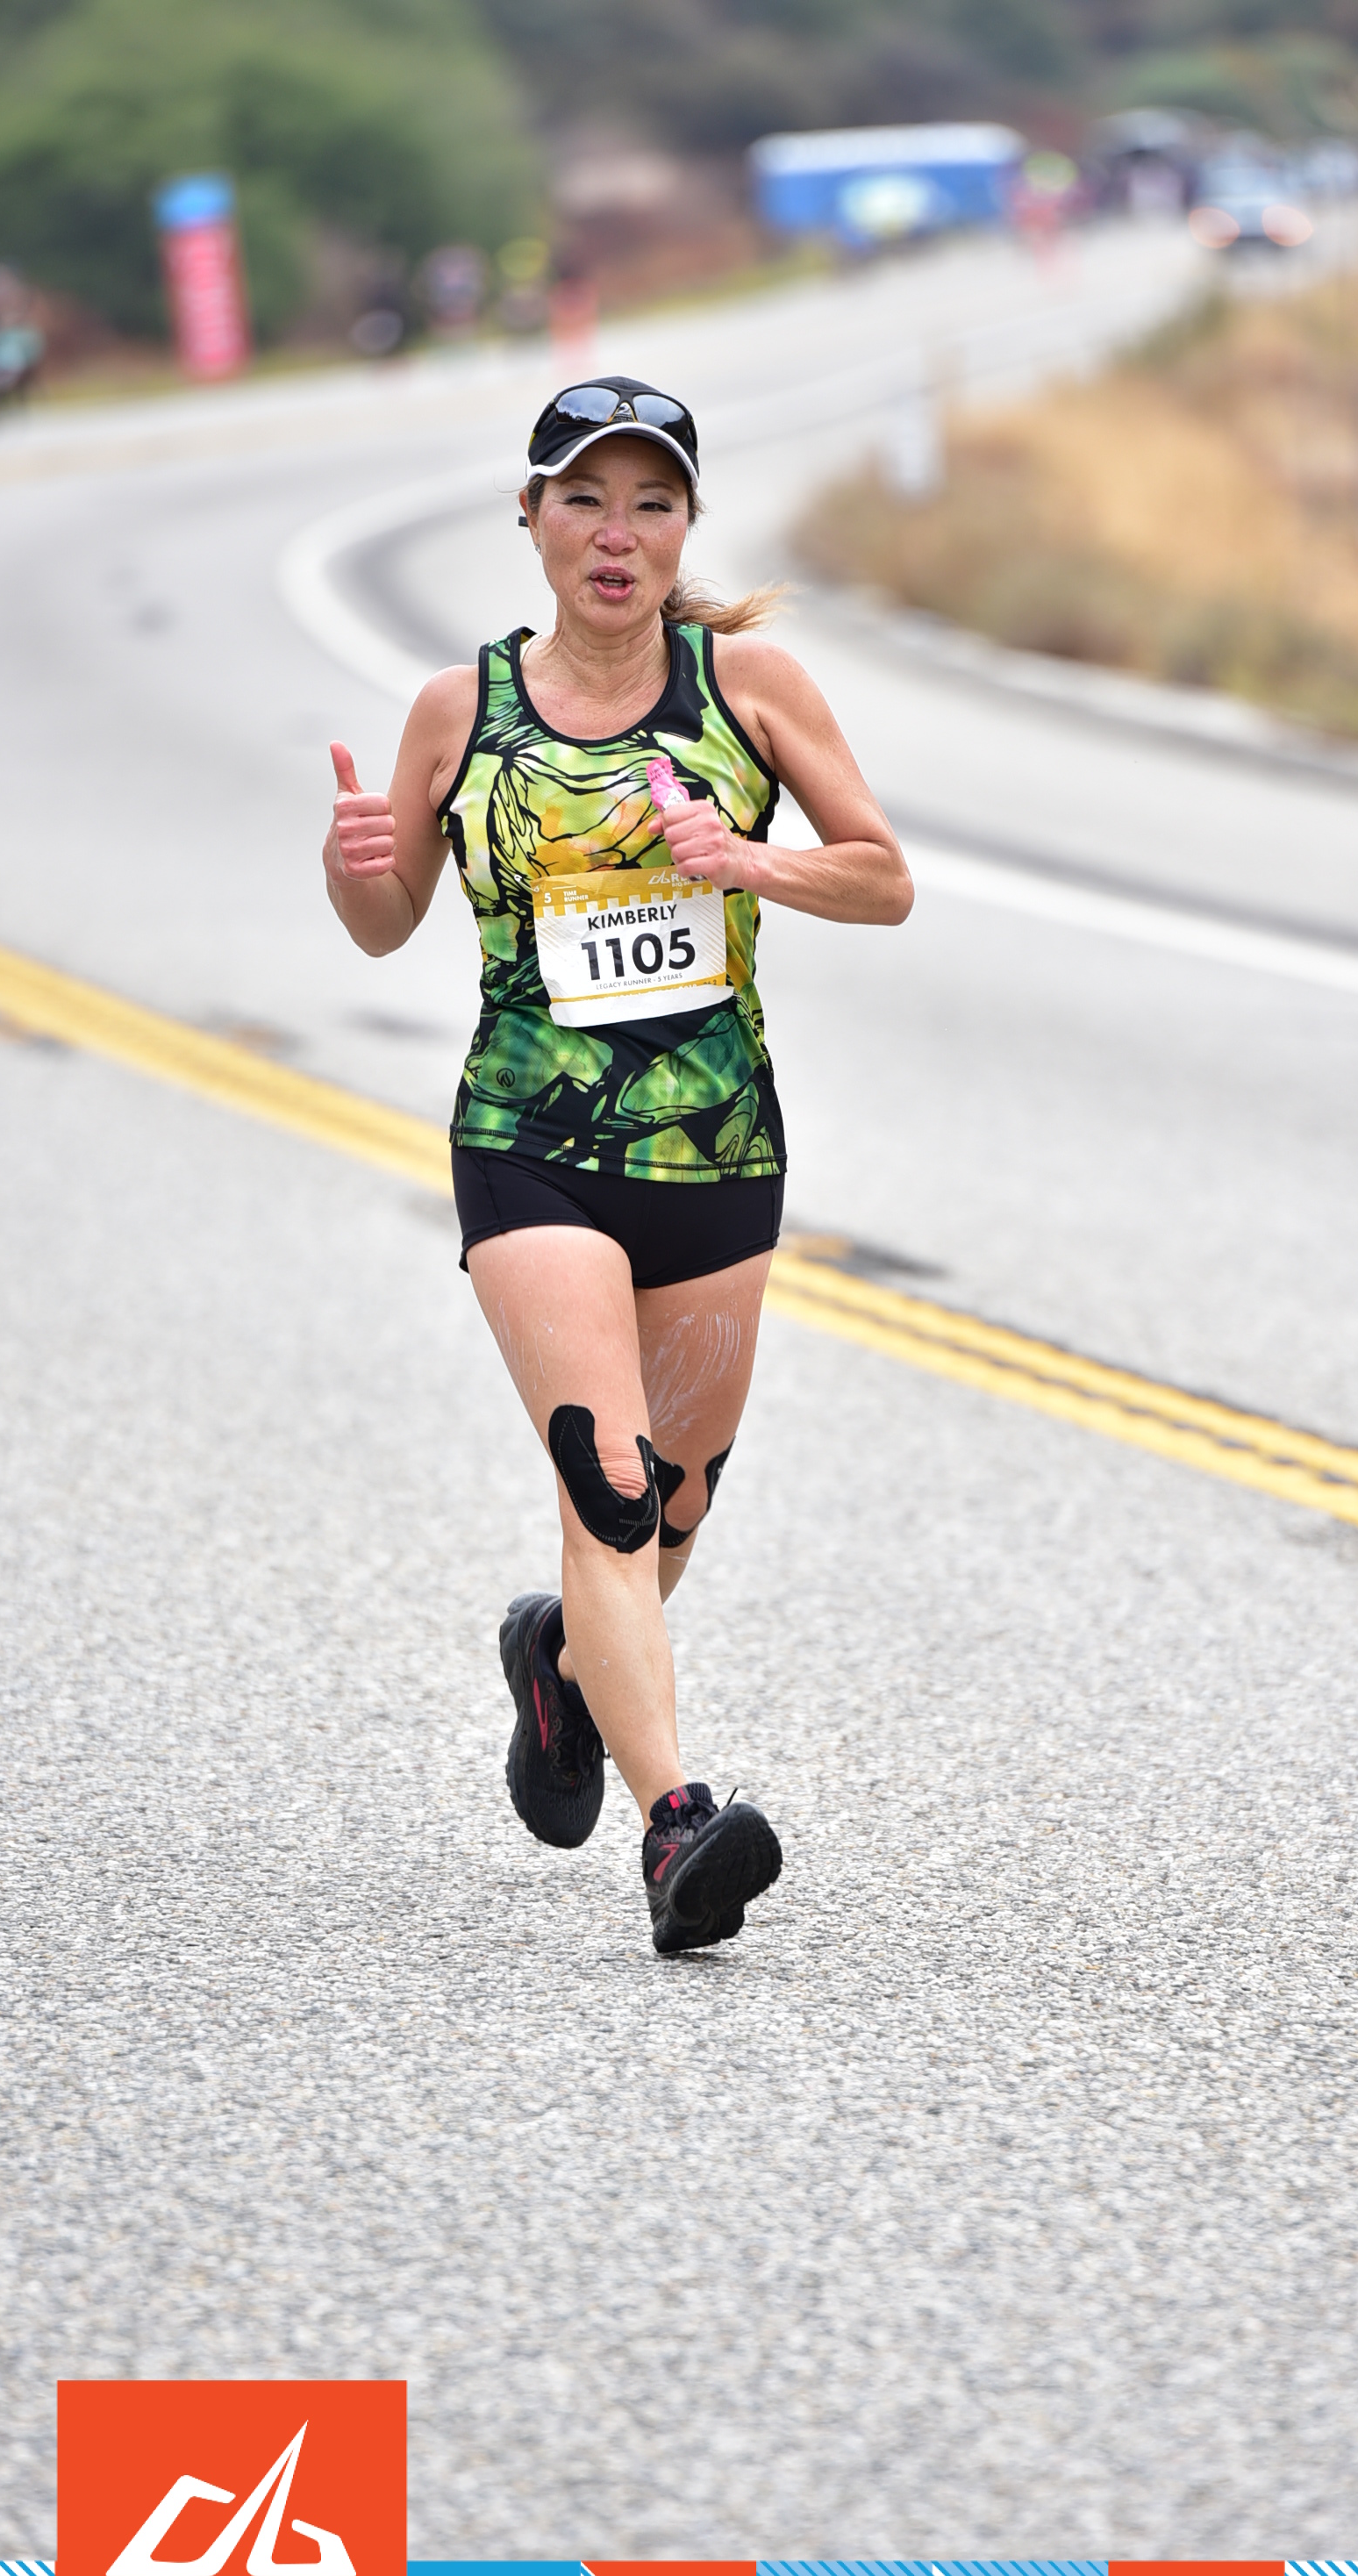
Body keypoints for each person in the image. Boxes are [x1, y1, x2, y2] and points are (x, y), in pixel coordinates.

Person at [323, 376, 911, 1952]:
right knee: (612, 1480)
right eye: (583, 499)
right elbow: (386, 921)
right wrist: (354, 869)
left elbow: (884, 878)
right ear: (530, 518)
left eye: (652, 503)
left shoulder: (750, 687)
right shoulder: (459, 711)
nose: (616, 533)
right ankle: (675, 1828)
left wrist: (748, 857)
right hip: (532, 1141)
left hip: (715, 1144)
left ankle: (564, 1669)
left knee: (681, 1502)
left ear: (685, 528)